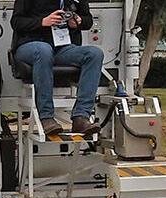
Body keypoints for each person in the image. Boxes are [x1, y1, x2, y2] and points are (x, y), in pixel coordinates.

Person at [11, 0, 104, 136]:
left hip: (62, 47)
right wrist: (43, 22)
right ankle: (46, 117)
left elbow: (87, 20)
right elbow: (16, 22)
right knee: (44, 50)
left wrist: (78, 21)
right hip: (30, 44)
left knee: (95, 54)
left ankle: (81, 116)